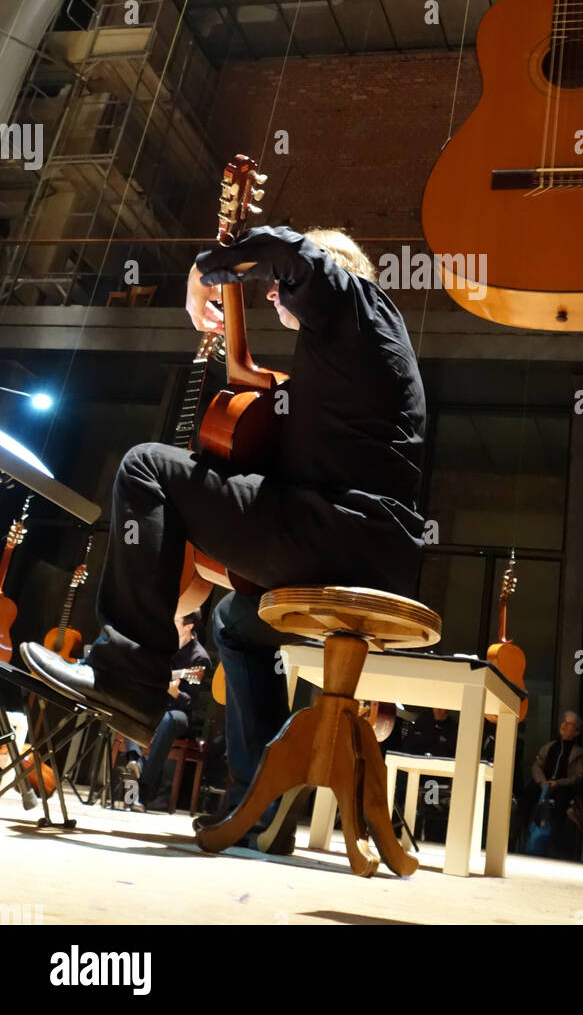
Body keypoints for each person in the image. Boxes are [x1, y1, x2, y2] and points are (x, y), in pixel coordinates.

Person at [21, 225, 427, 848]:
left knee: (145, 466)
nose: (270, 296)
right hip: (362, 543)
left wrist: (210, 269)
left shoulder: (358, 305)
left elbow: (292, 253)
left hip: (339, 533)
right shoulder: (355, 354)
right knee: (235, 621)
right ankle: (259, 810)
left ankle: (129, 674)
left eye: (279, 290)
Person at [121, 611, 210, 811]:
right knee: (131, 709)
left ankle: (142, 790)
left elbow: (192, 703)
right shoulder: (164, 645)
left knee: (167, 721)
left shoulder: (199, 657)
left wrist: (175, 693)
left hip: (179, 713)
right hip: (154, 706)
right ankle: (135, 761)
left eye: (176, 621)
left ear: (189, 626)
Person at [520, 710, 583, 857]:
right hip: (543, 784)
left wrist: (558, 783)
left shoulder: (579, 753)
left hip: (562, 787)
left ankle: (553, 845)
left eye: (569, 724)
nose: (563, 725)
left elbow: (578, 776)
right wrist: (543, 782)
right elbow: (537, 766)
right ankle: (523, 838)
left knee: (561, 803)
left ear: (576, 732)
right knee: (527, 797)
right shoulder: (549, 746)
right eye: (563, 721)